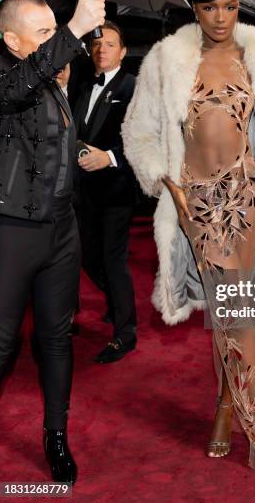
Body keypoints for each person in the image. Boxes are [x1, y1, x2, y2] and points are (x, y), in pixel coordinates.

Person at [122, 0, 255, 490]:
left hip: (251, 199)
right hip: (200, 206)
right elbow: (138, 134)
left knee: (242, 314)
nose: (222, 18)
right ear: (195, 10)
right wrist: (174, 190)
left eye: (230, 6)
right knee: (240, 315)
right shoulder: (166, 60)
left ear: (239, 4)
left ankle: (236, 412)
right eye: (210, 8)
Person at [0, 0, 105, 483]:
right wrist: (73, 30)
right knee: (0, 345)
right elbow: (13, 94)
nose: (53, 42)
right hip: (13, 230)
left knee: (56, 339)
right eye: (42, 34)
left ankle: (56, 436)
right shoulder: (4, 73)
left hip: (62, 229)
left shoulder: (50, 78)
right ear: (12, 40)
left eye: (53, 30)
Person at [73, 20, 138, 363]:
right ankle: (116, 304)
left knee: (113, 261)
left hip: (116, 189)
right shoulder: (83, 85)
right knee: (87, 256)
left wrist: (109, 157)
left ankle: (125, 333)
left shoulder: (134, 88)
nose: (102, 50)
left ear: (123, 52)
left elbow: (146, 141)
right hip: (83, 190)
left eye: (110, 44)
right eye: (97, 44)